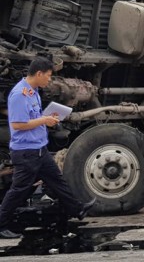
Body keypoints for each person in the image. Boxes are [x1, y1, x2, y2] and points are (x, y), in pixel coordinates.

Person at [0, 58, 95, 239]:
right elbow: (18, 124)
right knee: (19, 189)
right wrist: (44, 120)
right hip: (26, 151)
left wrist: (48, 119)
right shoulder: (20, 94)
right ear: (39, 74)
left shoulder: (33, 92)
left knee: (57, 180)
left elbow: (33, 118)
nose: (49, 81)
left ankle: (78, 209)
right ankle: (1, 223)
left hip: (39, 149)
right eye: (49, 77)